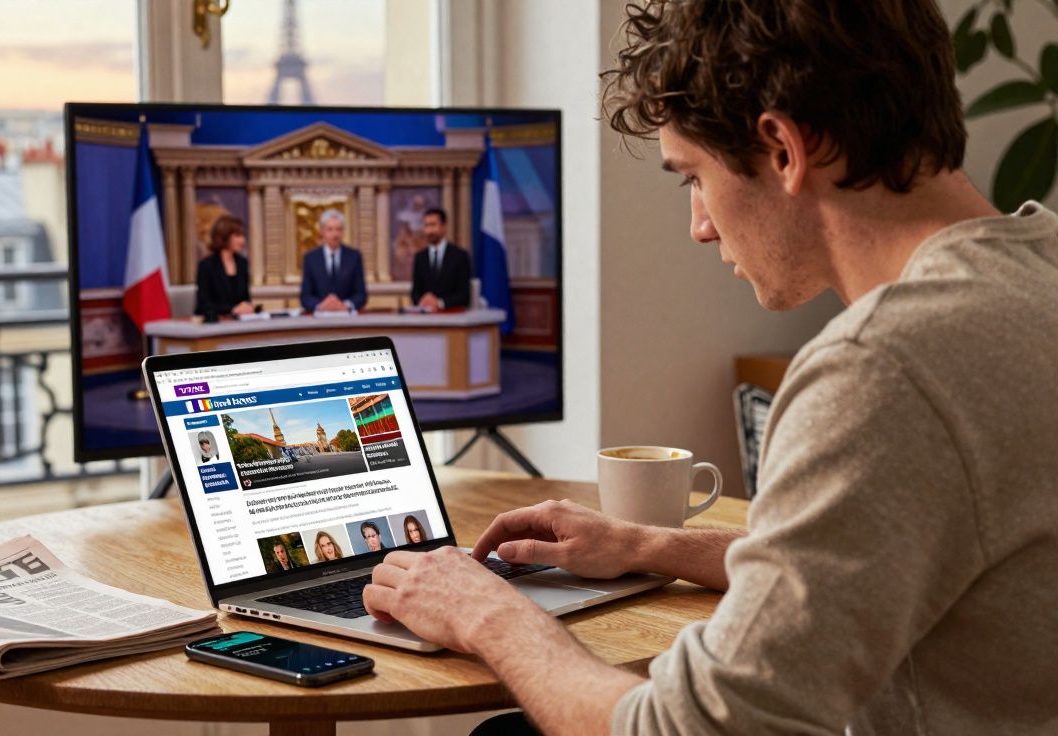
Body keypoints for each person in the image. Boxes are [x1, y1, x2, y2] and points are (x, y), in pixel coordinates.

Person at [361, 2, 1058, 735]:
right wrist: (650, 545)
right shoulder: (1034, 268)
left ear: (785, 149)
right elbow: (871, 561)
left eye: (692, 177)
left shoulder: (881, 371)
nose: (698, 226)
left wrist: (489, 613)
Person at [300, 209, 367, 313]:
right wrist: (321, 305)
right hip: (319, 319)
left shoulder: (354, 256)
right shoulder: (310, 258)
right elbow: (305, 297)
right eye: (330, 229)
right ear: (322, 231)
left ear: (343, 231)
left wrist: (344, 305)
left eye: (338, 229)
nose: (335, 234)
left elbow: (361, 295)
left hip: (347, 318)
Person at [195, 215, 255, 320]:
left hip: (239, 323)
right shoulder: (206, 266)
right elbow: (204, 305)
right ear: (224, 236)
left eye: (243, 236)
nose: (243, 240)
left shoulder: (242, 263)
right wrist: (232, 309)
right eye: (237, 235)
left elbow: (246, 298)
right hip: (212, 324)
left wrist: (247, 307)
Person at [410, 208, 471, 310]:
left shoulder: (460, 256)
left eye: (433, 225)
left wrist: (439, 303)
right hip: (426, 319)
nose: (429, 231)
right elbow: (415, 292)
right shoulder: (420, 257)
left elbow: (464, 295)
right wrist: (423, 300)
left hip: (452, 317)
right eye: (426, 226)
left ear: (444, 226)